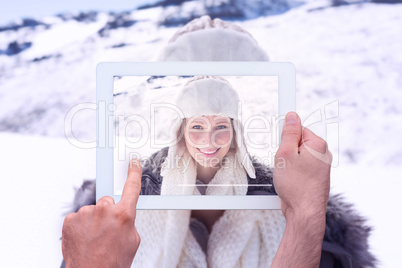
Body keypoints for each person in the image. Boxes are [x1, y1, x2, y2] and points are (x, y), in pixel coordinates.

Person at [61, 16, 376, 268]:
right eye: (197, 125)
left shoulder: (319, 229)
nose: (208, 141)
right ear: (180, 131)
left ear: (236, 130)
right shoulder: (105, 217)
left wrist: (306, 221)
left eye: (221, 126)